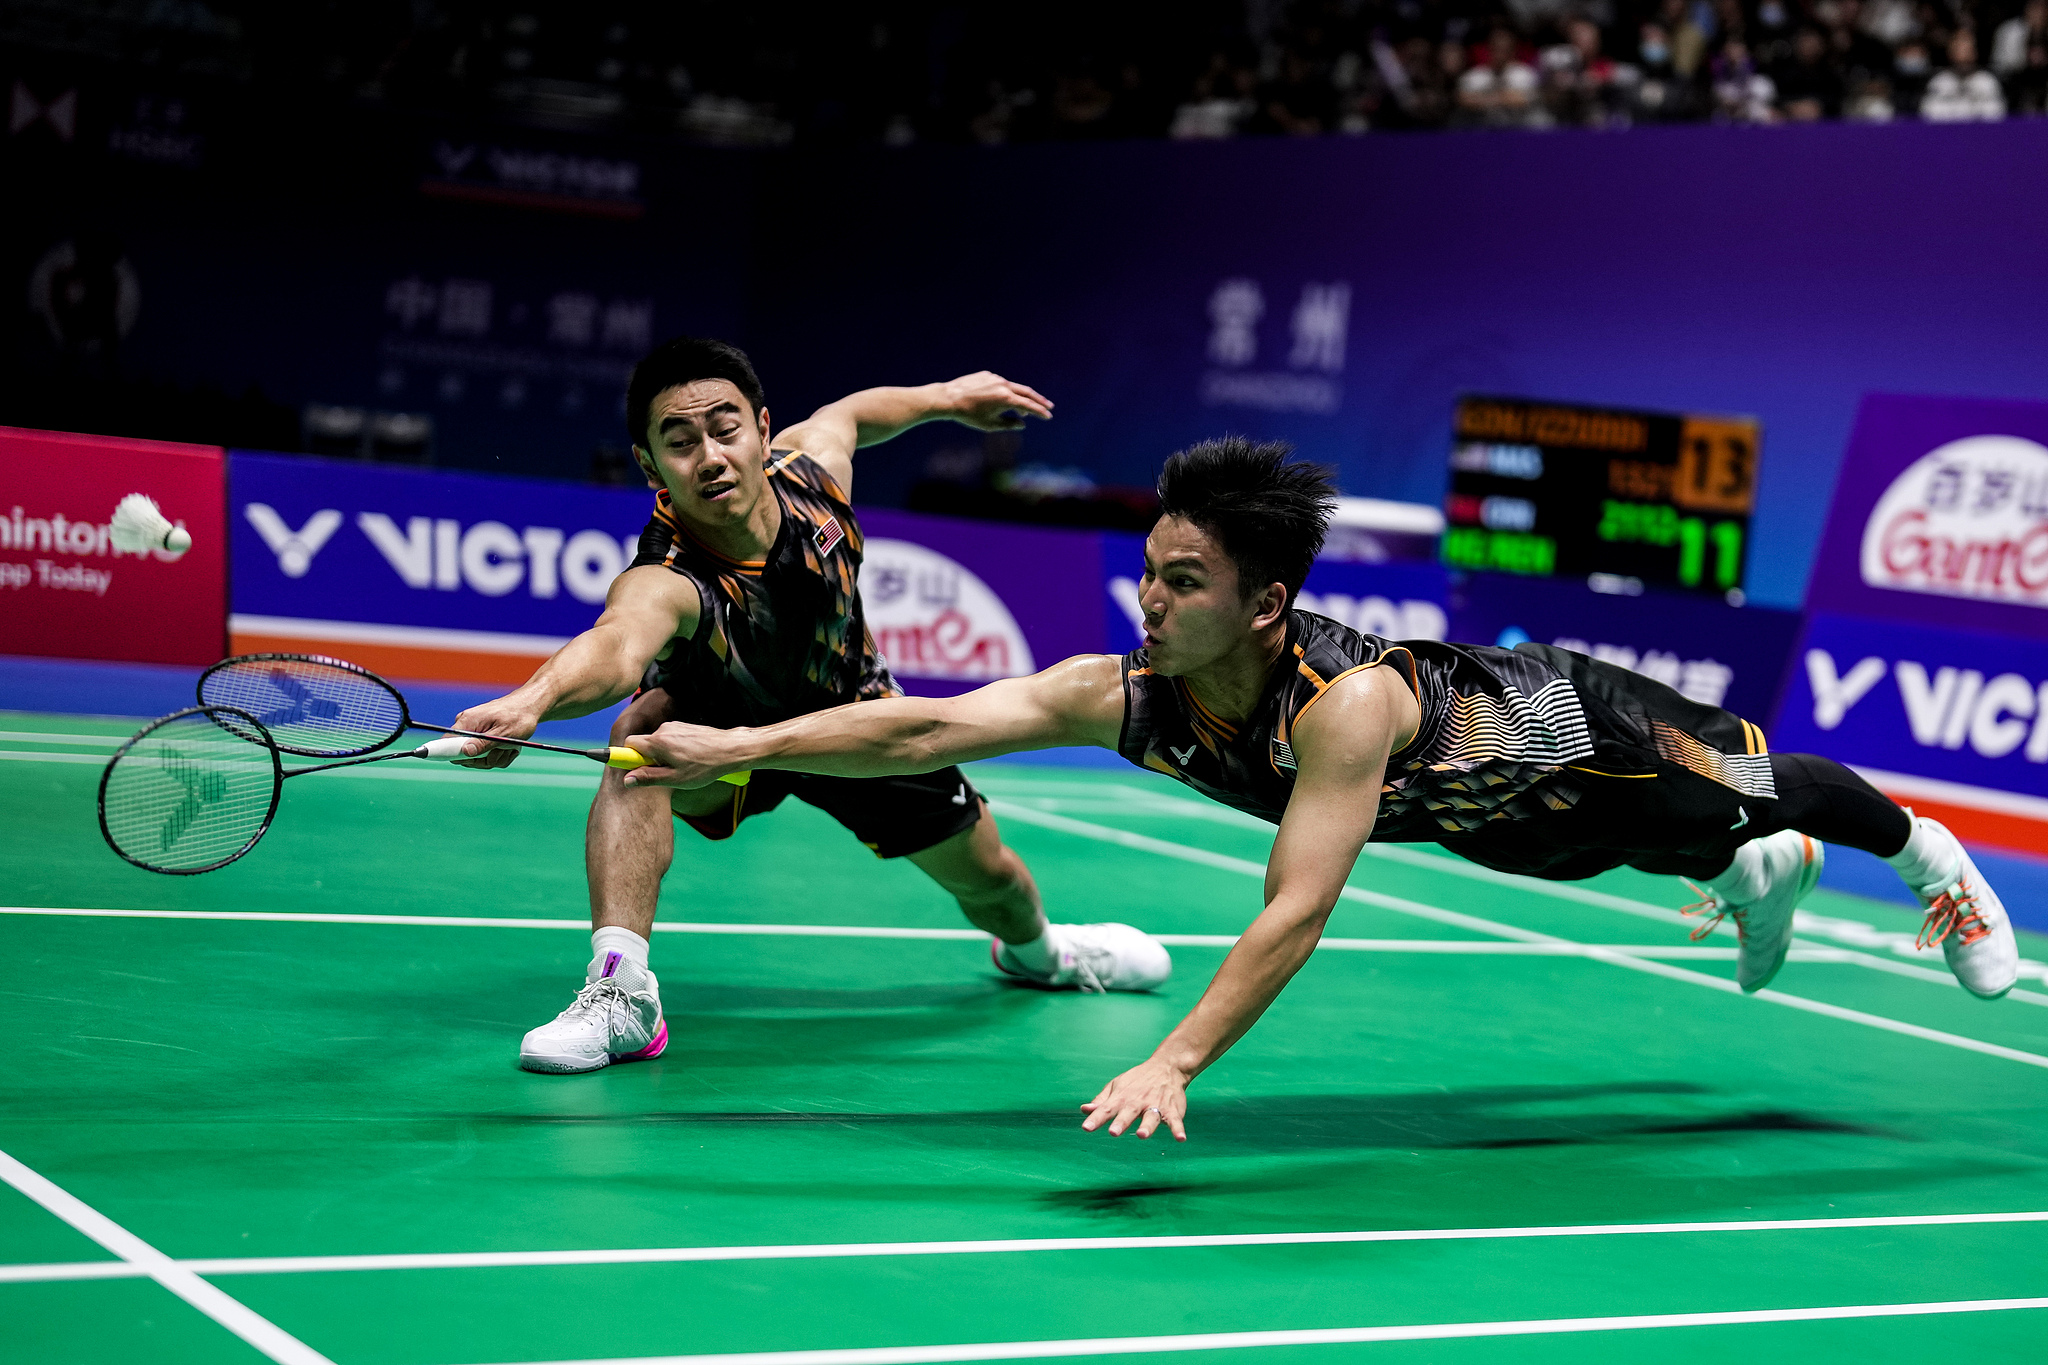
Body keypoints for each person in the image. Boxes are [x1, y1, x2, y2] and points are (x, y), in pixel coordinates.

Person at [619, 437, 2023, 1138]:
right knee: (1604, 864)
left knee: (1752, 787)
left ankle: (1925, 861)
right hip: (1484, 822)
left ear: (1268, 600)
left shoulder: (1343, 709)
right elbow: (922, 732)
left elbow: (1294, 910)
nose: (1150, 604)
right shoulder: (1123, 694)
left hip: (1570, 726)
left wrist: (1176, 1059)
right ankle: (1742, 876)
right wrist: (730, 747)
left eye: (1184, 583)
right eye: (1149, 572)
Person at [451, 337, 1172, 1075]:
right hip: (720, 736)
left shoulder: (812, 474)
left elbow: (854, 412)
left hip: (856, 720)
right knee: (638, 739)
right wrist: (532, 698)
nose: (710, 456)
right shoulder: (668, 574)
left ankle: (1044, 953)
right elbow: (616, 644)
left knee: (995, 881)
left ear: (764, 428)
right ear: (650, 465)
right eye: (680, 441)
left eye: (726, 428)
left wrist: (947, 399)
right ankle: (622, 991)